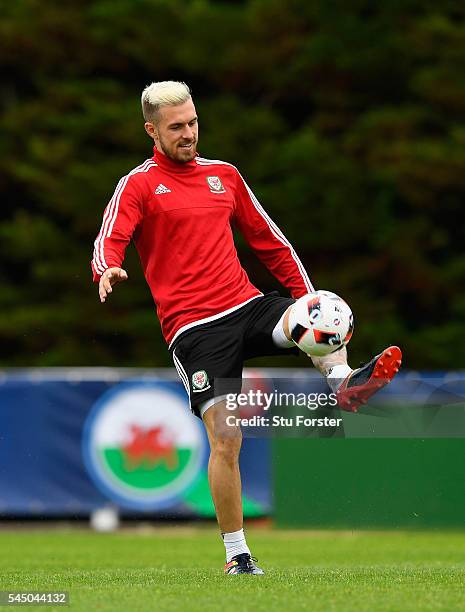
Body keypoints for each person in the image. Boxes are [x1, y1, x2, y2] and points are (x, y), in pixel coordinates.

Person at [91, 81, 402, 575]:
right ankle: (238, 555)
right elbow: (113, 234)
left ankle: (344, 384)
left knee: (319, 312)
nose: (189, 133)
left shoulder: (224, 175)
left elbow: (269, 240)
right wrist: (107, 266)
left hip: (246, 305)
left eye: (193, 122)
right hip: (194, 330)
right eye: (176, 127)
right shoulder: (140, 184)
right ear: (152, 130)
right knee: (228, 440)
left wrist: (309, 298)